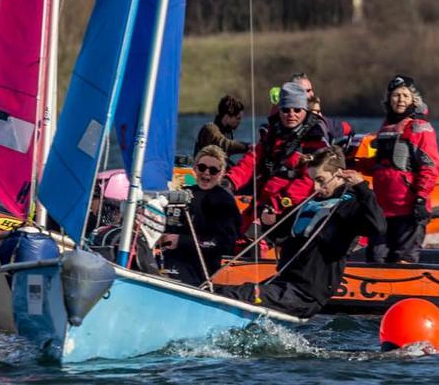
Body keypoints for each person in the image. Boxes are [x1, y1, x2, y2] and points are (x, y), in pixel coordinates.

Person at [216, 146, 386, 318]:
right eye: (312, 180)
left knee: (238, 294)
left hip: (305, 293)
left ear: (339, 174)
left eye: (321, 180)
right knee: (222, 290)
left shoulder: (349, 206)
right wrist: (269, 222)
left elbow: (378, 227)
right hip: (284, 283)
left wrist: (363, 188)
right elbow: (280, 235)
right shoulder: (309, 204)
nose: (316, 187)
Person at [225, 82, 329, 233]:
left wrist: (277, 204)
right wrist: (230, 181)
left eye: (297, 110)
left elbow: (308, 182)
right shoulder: (272, 135)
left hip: (291, 208)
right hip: (263, 201)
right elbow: (251, 161)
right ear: (279, 111)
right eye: (286, 110)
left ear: (305, 110)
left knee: (253, 239)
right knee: (235, 233)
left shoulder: (315, 141)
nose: (291, 114)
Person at [361, 75, 439, 264]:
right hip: (383, 208)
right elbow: (379, 165)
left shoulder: (420, 128)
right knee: (375, 258)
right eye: (396, 95)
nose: (400, 100)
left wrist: (421, 198)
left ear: (414, 99)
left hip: (408, 208)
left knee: (403, 259)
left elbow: (430, 167)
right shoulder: (386, 127)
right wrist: (350, 163)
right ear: (389, 99)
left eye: (405, 96)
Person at [160, 145, 242, 286]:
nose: (206, 174)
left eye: (213, 170)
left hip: (199, 267)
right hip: (167, 257)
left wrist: (183, 241)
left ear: (222, 173)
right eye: (202, 168)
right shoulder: (183, 193)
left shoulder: (224, 202)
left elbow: (225, 243)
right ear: (195, 168)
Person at [193, 95, 252, 160]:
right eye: (238, 118)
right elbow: (224, 145)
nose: (240, 121)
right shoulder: (209, 129)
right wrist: (247, 146)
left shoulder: (228, 133)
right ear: (226, 117)